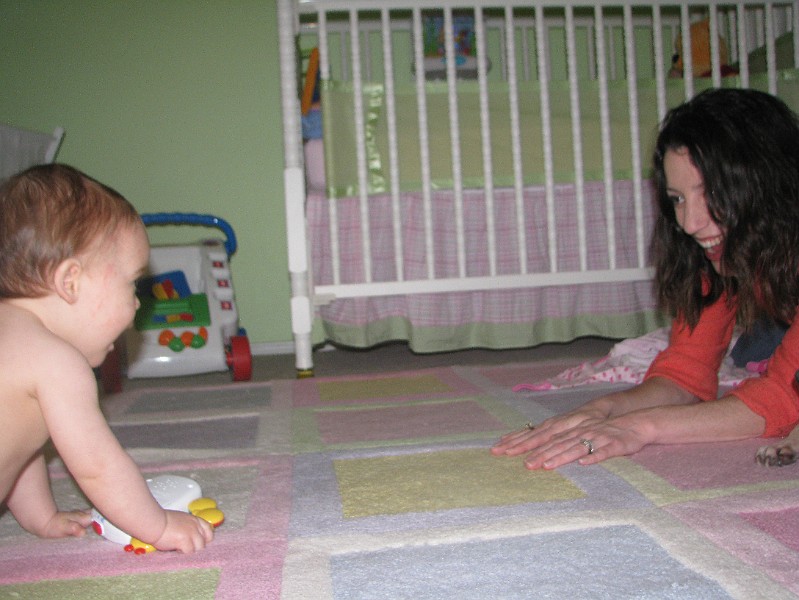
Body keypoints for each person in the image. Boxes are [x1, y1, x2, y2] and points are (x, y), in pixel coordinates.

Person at [492, 88, 799, 470]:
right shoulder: (727, 253)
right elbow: (686, 372)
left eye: (713, 194)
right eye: (678, 199)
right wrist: (603, 409)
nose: (689, 223)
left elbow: (782, 398)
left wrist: (639, 428)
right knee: (755, 350)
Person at [0, 164, 214, 552]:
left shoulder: (16, 342)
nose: (136, 301)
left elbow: (18, 445)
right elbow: (97, 467)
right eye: (131, 283)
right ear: (71, 282)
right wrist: (159, 525)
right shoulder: (57, 363)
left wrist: (41, 518)